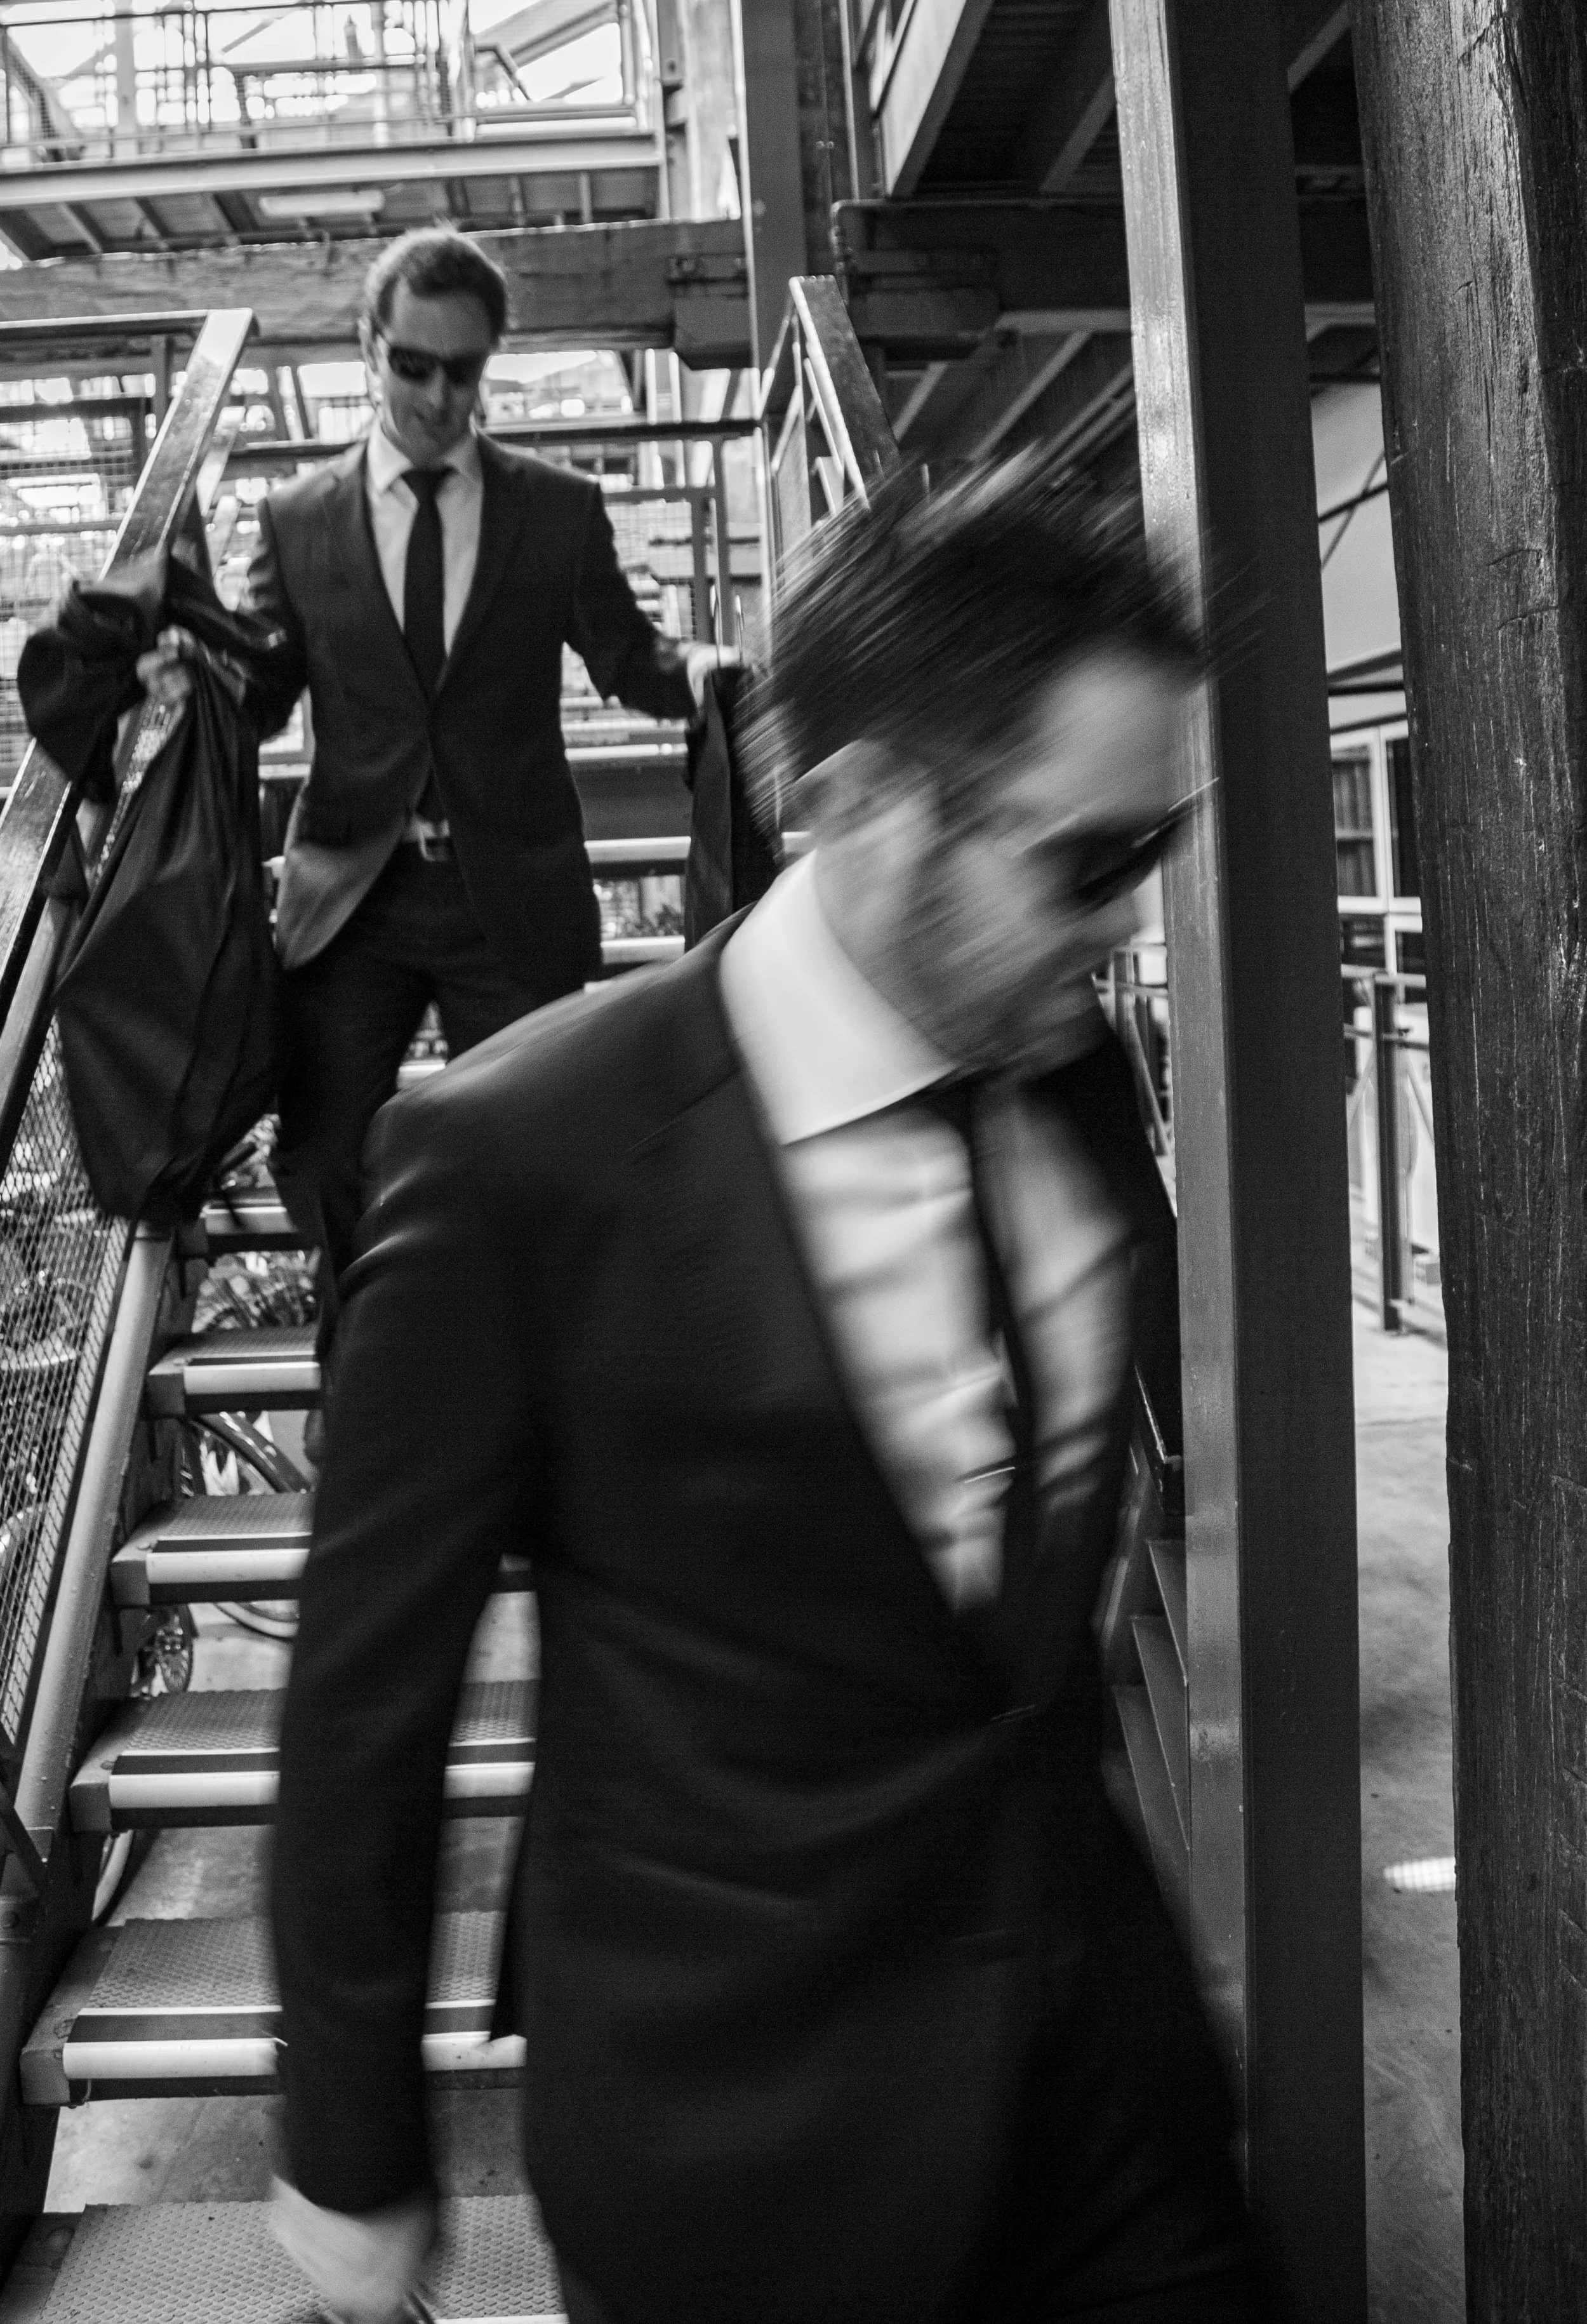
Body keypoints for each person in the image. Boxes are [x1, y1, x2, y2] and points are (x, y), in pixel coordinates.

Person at [269, 462, 1262, 2324]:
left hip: (1105, 2085)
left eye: (1154, 851)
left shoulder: (1055, 1069)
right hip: (742, 2141)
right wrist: (352, 2149)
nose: (1130, 923)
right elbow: (362, 1699)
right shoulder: (522, 1156)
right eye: (1088, 861)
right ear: (872, 809)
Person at [138, 227, 731, 1350]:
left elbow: (625, 656)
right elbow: (266, 692)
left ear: (487, 367)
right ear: (372, 349)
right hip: (353, 892)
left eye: (463, 371)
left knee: (544, 1145)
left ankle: (520, 1384)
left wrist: (696, 668)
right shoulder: (298, 519)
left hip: (508, 885)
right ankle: (368, 1373)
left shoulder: (556, 511)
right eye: (414, 364)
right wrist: (197, 684)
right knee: (322, 1153)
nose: (438, 394)